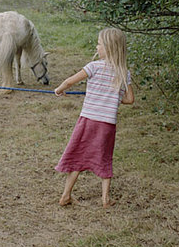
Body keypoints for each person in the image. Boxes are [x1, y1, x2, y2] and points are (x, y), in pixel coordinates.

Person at [54, 28, 134, 208]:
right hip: (107, 125)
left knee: (78, 155)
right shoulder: (123, 72)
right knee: (105, 157)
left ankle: (66, 195)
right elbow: (130, 99)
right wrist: (113, 96)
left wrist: (59, 90)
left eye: (99, 44)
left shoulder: (93, 67)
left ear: (108, 48)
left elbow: (69, 82)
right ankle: (105, 199)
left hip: (88, 121)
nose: (97, 47)